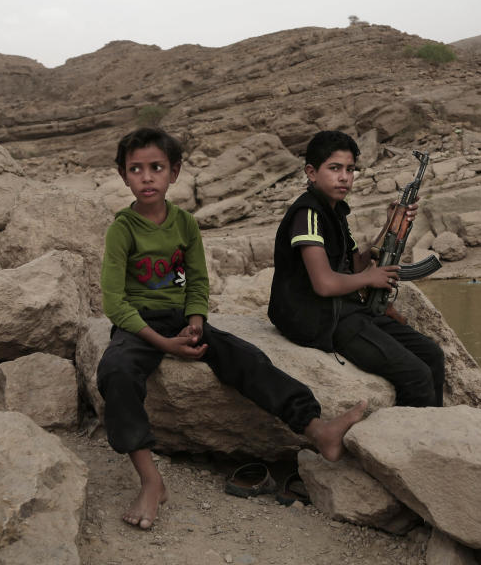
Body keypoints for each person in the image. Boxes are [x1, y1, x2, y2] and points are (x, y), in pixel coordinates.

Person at [97, 127, 366, 530]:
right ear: (123, 176)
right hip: (138, 326)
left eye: (156, 167)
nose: (147, 177)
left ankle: (317, 428)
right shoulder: (123, 229)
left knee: (246, 358)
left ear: (175, 172)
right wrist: (163, 345)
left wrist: (194, 322)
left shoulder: (185, 223)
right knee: (115, 371)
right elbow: (114, 303)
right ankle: (151, 480)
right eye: (136, 169)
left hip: (181, 321)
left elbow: (198, 282)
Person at [268, 130, 445, 408]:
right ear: (311, 173)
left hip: (344, 308)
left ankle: (435, 432)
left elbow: (357, 264)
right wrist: (369, 278)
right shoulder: (308, 215)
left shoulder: (336, 212)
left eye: (350, 169)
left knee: (432, 354)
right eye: (335, 168)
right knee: (416, 375)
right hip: (318, 317)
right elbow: (324, 284)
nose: (344, 177)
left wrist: (391, 224)